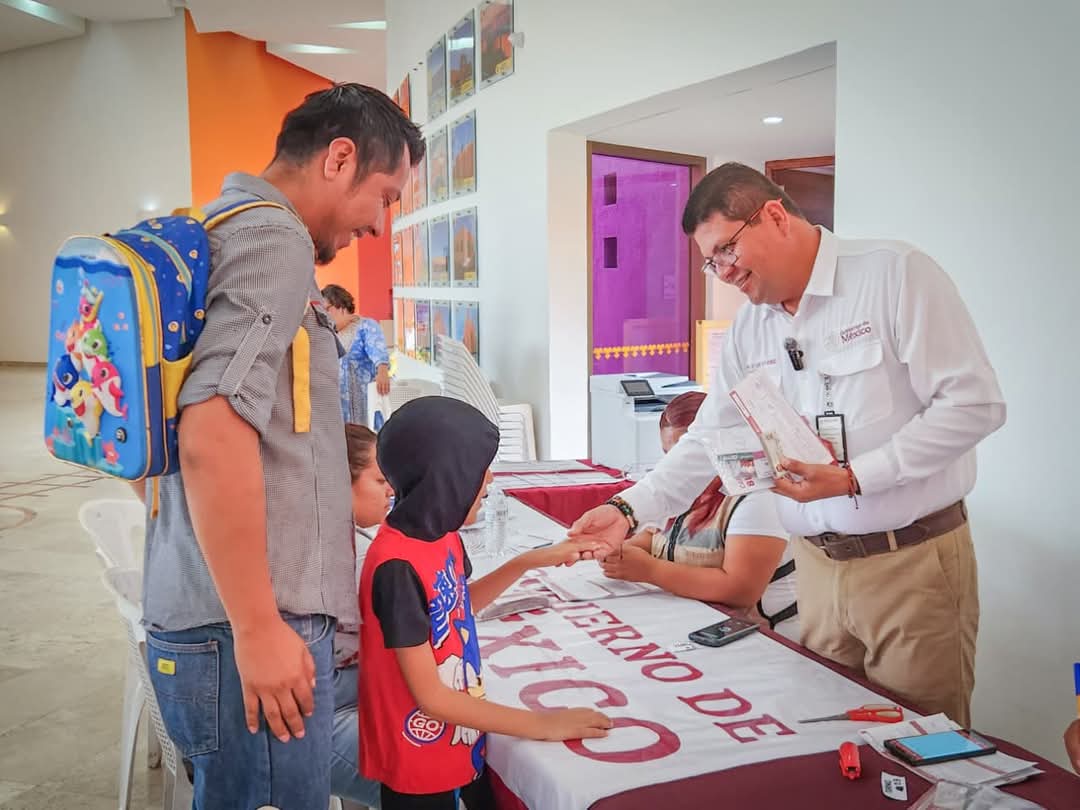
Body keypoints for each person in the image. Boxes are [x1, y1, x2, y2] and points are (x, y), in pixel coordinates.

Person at [571, 162, 1005, 727]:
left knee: (924, 743)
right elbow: (710, 436)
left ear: (773, 215)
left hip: (910, 562)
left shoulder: (894, 275)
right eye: (710, 261)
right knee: (829, 734)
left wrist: (856, 477)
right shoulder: (753, 328)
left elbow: (974, 405)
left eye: (727, 251)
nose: (722, 273)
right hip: (816, 570)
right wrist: (629, 508)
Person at [141, 83, 424, 810]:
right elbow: (210, 430)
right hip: (245, 622)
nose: (378, 223)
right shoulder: (274, 239)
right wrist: (260, 626)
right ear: (339, 158)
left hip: (221, 611)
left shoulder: (224, 225)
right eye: (385, 196)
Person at [359, 396, 612, 809]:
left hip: (462, 733)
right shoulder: (396, 567)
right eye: (479, 470)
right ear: (447, 478)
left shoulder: (444, 537)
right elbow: (432, 697)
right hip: (419, 757)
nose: (490, 480)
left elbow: (457, 607)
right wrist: (540, 724)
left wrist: (530, 561)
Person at [599, 391, 799, 639]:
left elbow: (740, 589)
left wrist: (650, 570)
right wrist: (622, 550)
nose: (679, 467)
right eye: (668, 456)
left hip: (772, 639)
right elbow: (663, 539)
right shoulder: (677, 489)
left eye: (687, 457)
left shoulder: (758, 495)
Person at [330, 423, 391, 807]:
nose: (391, 491)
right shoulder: (355, 556)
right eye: (380, 479)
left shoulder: (346, 538)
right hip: (325, 711)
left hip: (339, 689)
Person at [322, 282, 391, 424]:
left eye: (327, 309)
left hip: (364, 403)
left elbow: (377, 349)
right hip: (337, 409)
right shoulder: (325, 334)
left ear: (340, 306)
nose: (324, 315)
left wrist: (382, 370)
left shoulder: (365, 326)